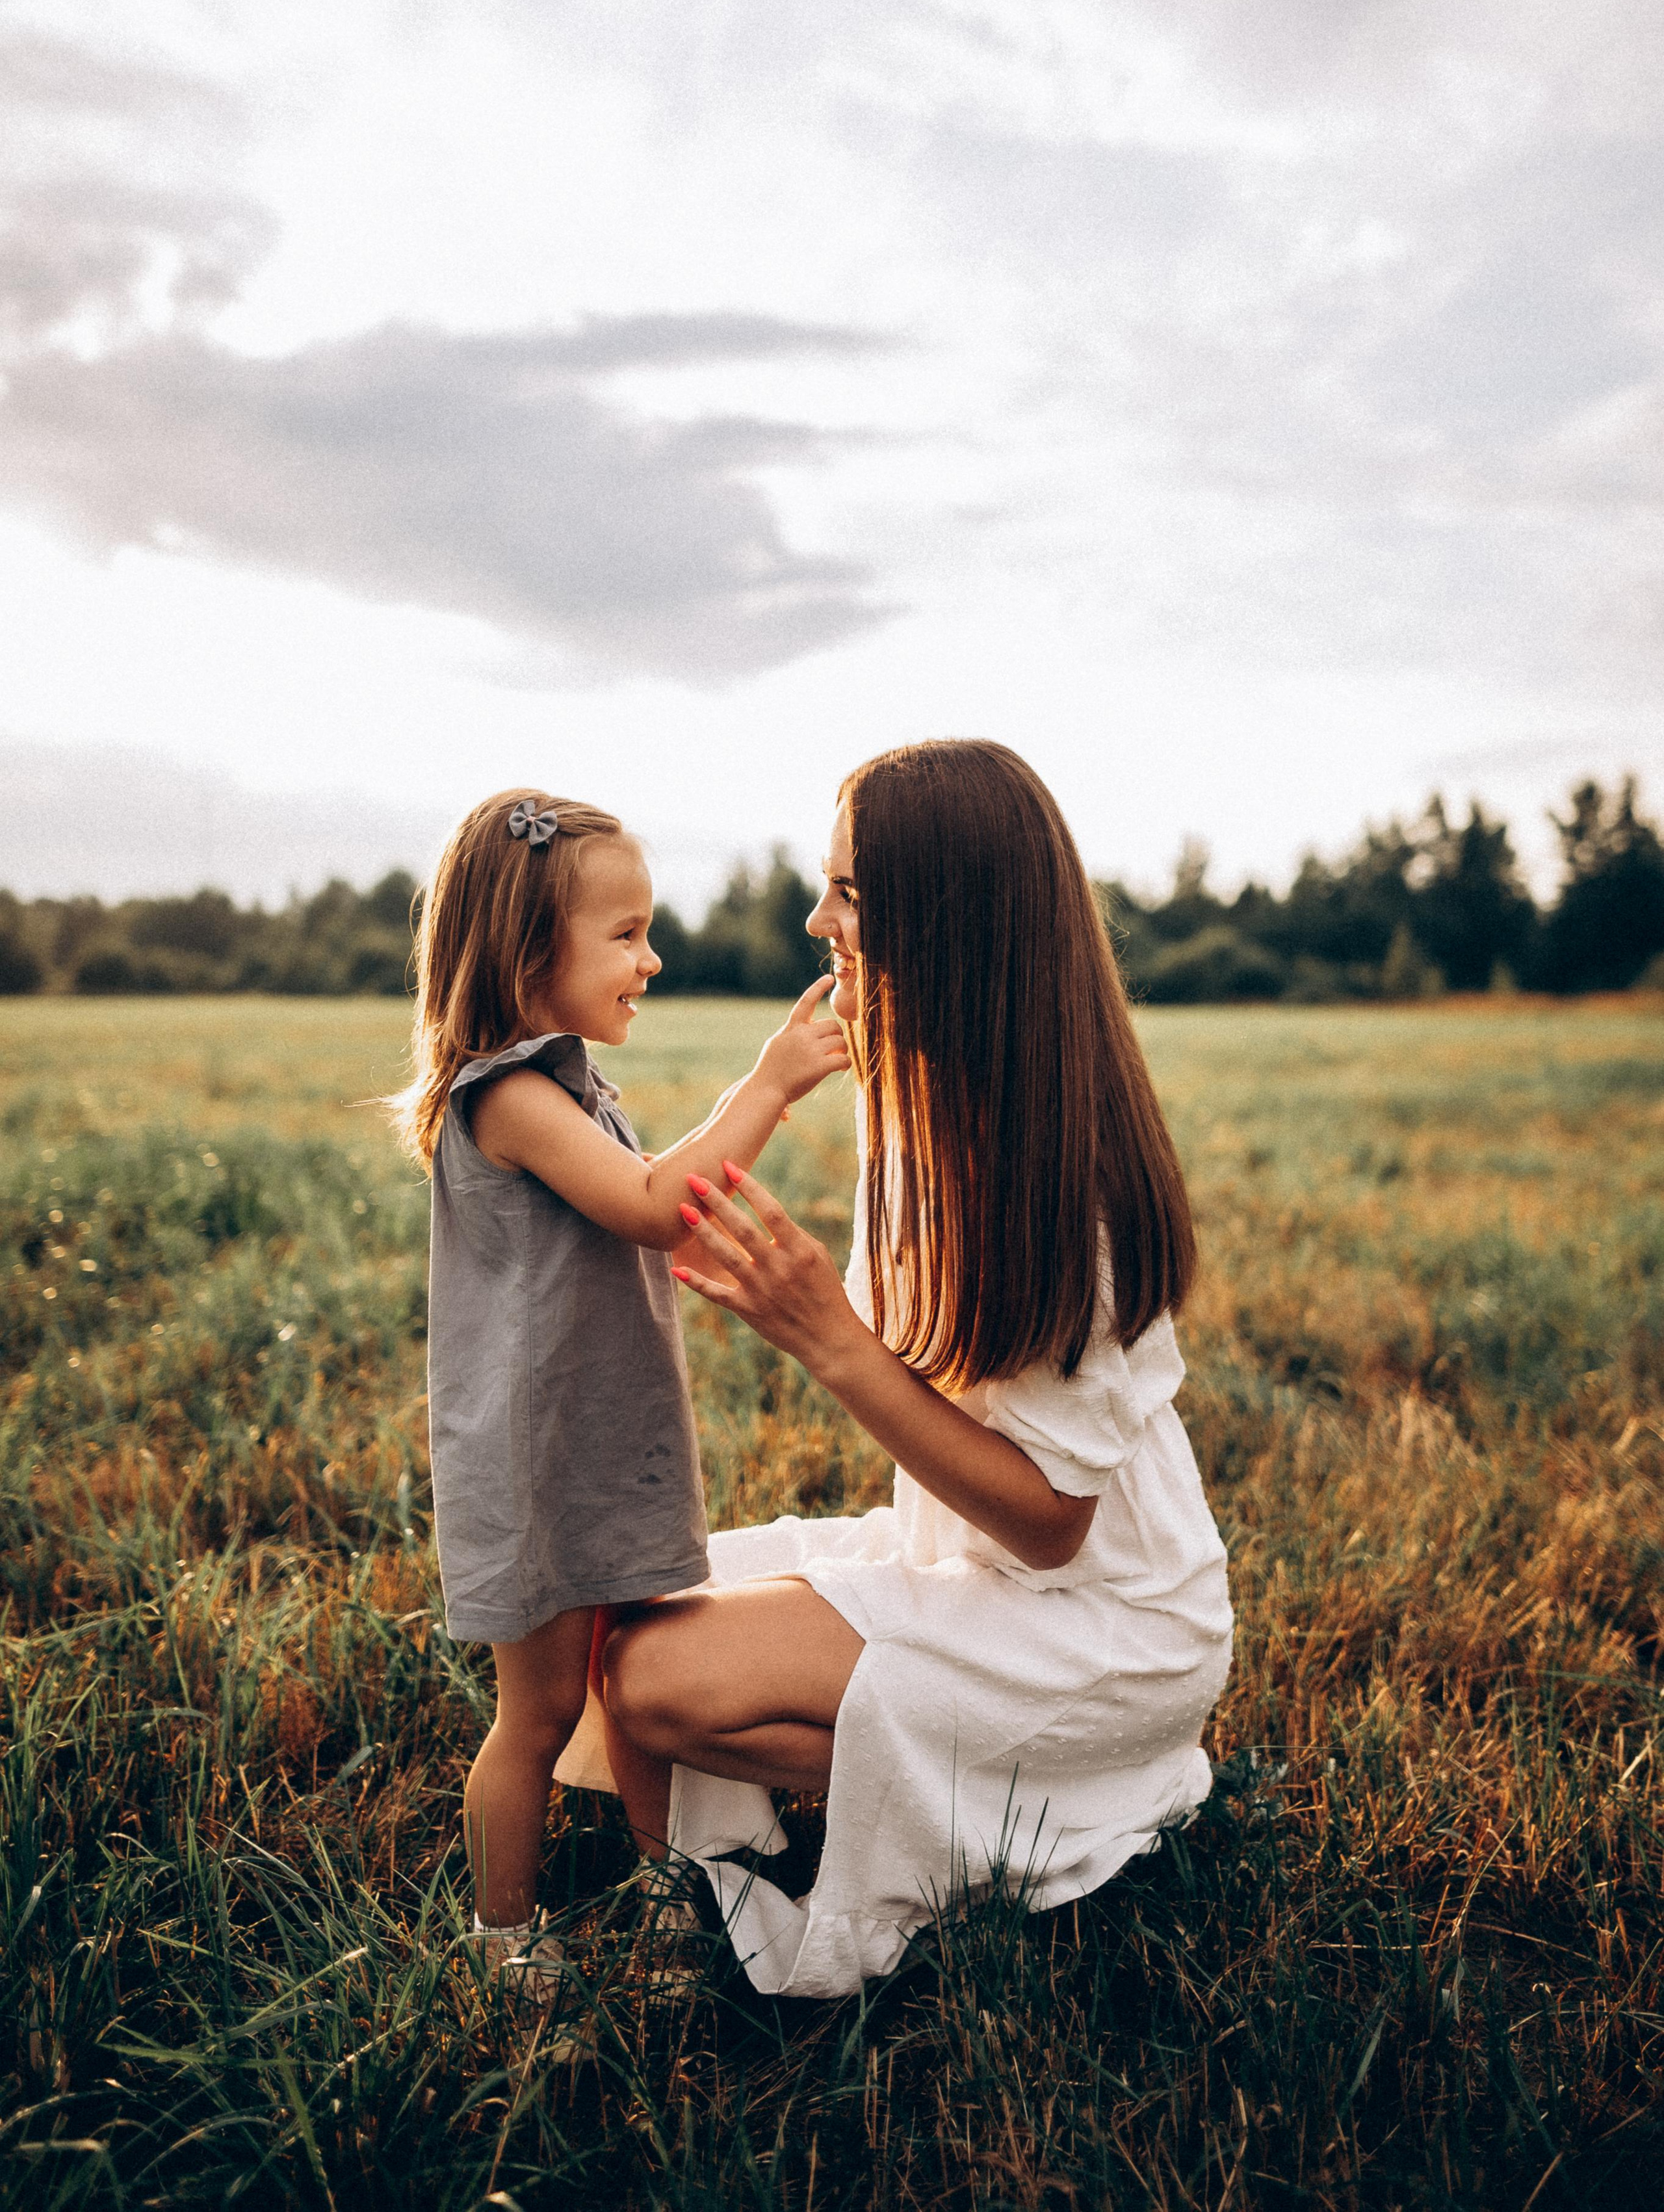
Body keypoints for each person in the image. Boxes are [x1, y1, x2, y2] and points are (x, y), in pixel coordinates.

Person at [590, 740, 1234, 1998]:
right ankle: (959, 1776)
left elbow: (1050, 1526)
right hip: (972, 1571)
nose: (815, 917)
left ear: (950, 923)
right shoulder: (931, 1101)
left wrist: (826, 1336)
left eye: (851, 897)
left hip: (1097, 1628)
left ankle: (1038, 1780)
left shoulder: (1058, 1180)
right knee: (620, 1607)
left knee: (652, 1678)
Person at [391, 788, 846, 1997]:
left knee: (639, 1687)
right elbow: (650, 1202)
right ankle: (502, 1938)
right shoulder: (508, 1096)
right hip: (541, 1463)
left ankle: (666, 1896)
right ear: (530, 952)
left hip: (606, 1440)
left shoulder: (572, 1083)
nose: (652, 959)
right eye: (627, 934)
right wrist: (770, 1084)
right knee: (537, 1715)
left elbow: (623, 1226)